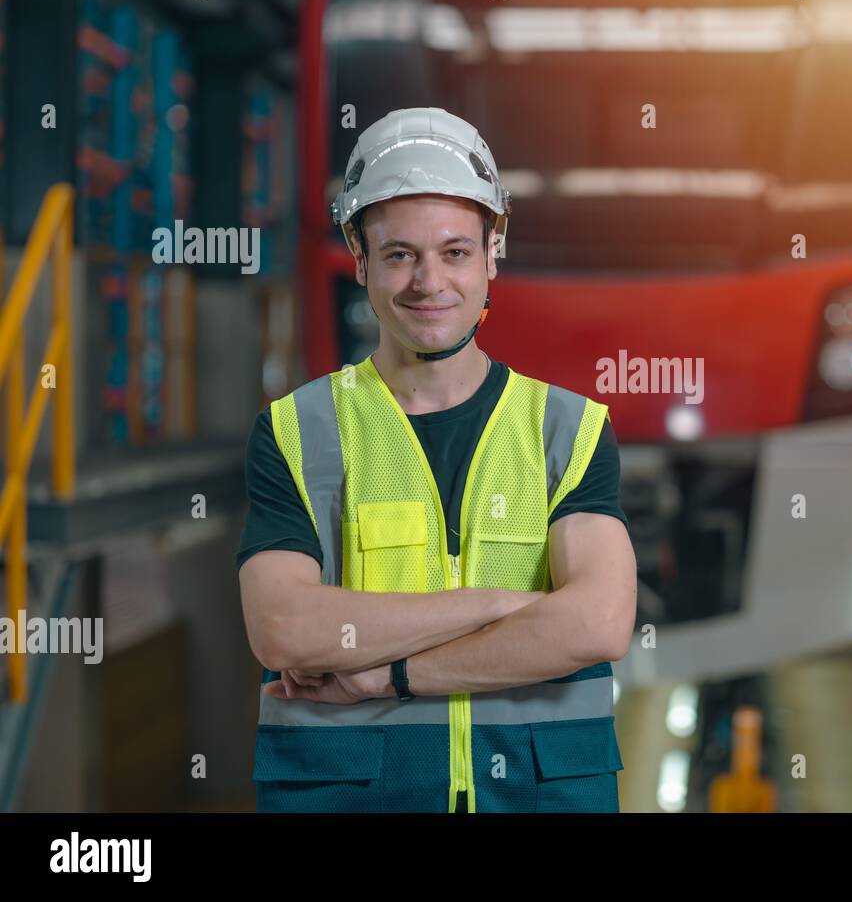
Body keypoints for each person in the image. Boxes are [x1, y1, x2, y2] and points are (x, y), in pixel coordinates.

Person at [236, 107, 637, 813]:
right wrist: (499, 605)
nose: (429, 282)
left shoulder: (568, 430)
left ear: (491, 256)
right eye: (400, 255)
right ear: (360, 260)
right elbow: (285, 628)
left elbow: (598, 624)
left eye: (454, 252)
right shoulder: (297, 431)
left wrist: (390, 675)